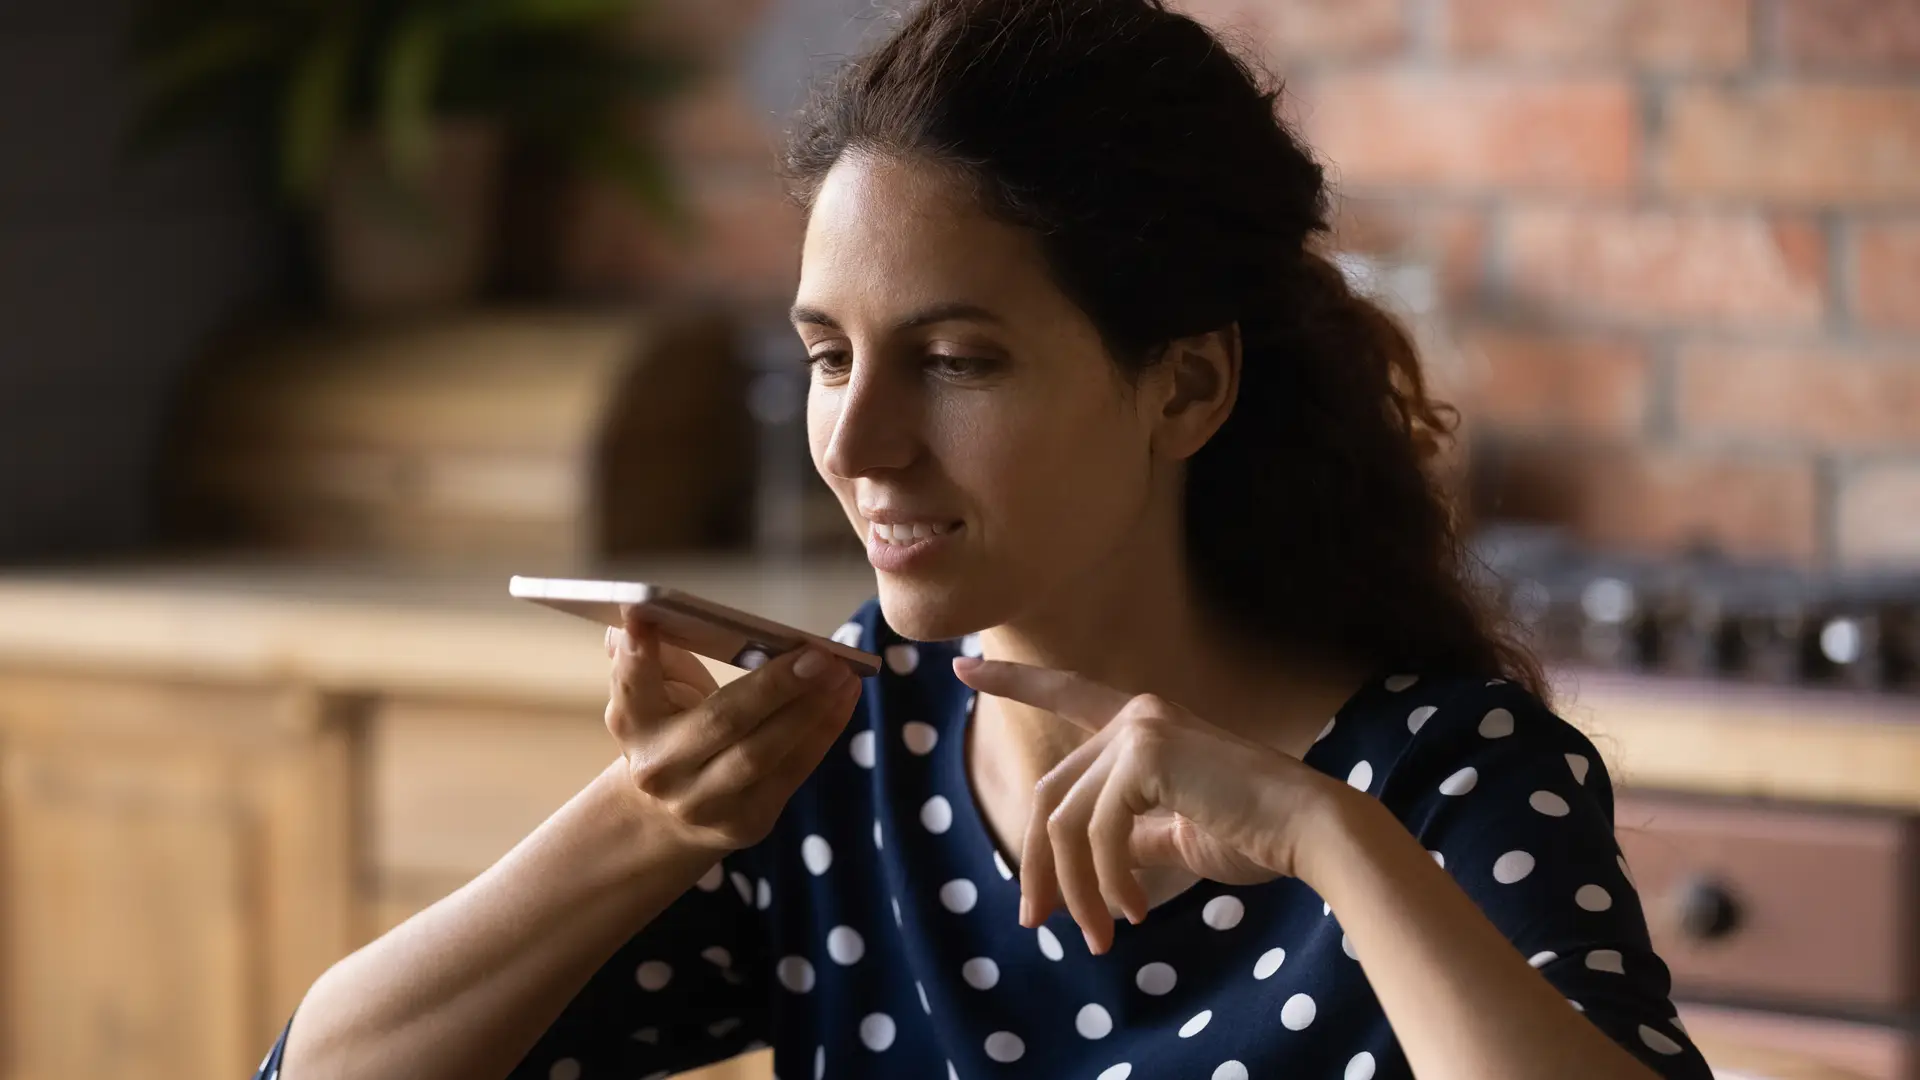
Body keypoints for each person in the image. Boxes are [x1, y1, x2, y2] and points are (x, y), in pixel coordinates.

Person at [254, 1, 1716, 1078]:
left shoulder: (1441, 781)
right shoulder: (839, 761)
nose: (860, 441)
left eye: (955, 360)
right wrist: (651, 821)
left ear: (1187, 386)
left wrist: (1324, 838)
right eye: (831, 356)